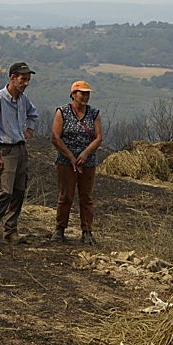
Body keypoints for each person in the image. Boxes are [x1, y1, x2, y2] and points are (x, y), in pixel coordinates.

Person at [0, 61, 40, 244]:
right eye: (23, 79)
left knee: (19, 191)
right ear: (13, 78)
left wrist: (29, 129)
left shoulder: (23, 100)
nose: (26, 83)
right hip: (6, 150)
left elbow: (33, 114)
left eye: (28, 80)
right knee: (5, 192)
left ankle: (11, 231)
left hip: (21, 149)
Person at [50, 80, 103, 244]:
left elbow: (98, 137)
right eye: (82, 93)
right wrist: (71, 157)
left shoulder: (94, 113)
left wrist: (85, 154)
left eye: (87, 93)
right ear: (73, 94)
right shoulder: (62, 112)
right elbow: (56, 137)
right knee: (66, 195)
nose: (85, 96)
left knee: (86, 196)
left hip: (88, 162)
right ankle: (60, 229)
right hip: (65, 161)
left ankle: (87, 231)